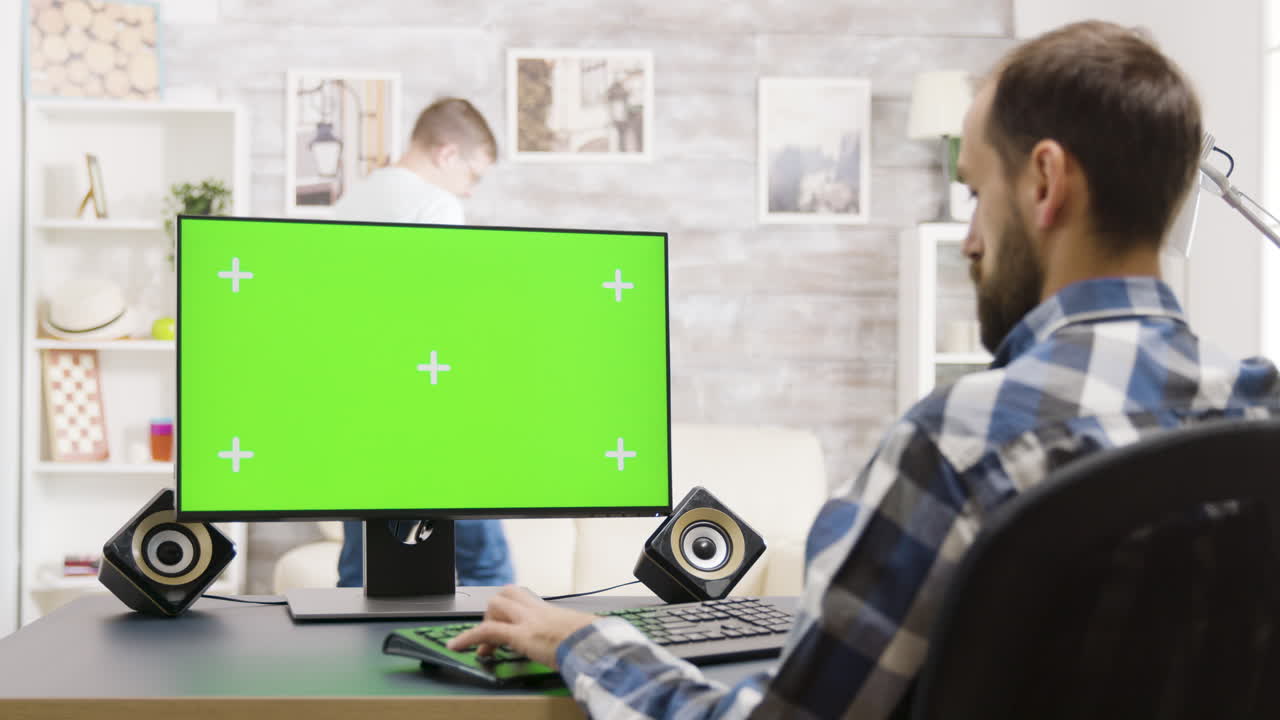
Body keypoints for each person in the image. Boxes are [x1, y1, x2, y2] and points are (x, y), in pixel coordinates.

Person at [447, 20, 1280, 718]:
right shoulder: (1260, 417)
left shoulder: (958, 444)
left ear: (1045, 183)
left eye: (975, 192)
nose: (970, 239)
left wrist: (589, 643)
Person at [333, 98, 515, 588]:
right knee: (486, 562)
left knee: (362, 565)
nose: (470, 191)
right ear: (447, 153)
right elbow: (440, 316)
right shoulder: (435, 205)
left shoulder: (348, 203)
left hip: (360, 408)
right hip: (426, 406)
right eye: (473, 175)